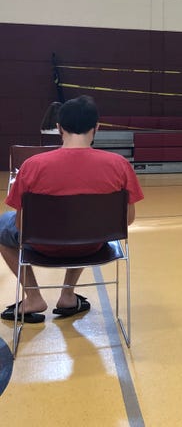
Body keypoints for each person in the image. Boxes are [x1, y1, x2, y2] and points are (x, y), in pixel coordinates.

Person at [1, 95, 144, 323]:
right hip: (92, 245)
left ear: (59, 127)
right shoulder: (120, 165)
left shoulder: (32, 166)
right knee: (82, 227)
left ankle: (33, 296)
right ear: (97, 127)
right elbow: (127, 219)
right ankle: (68, 295)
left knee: (3, 225)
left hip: (42, 245)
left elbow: (20, 225)